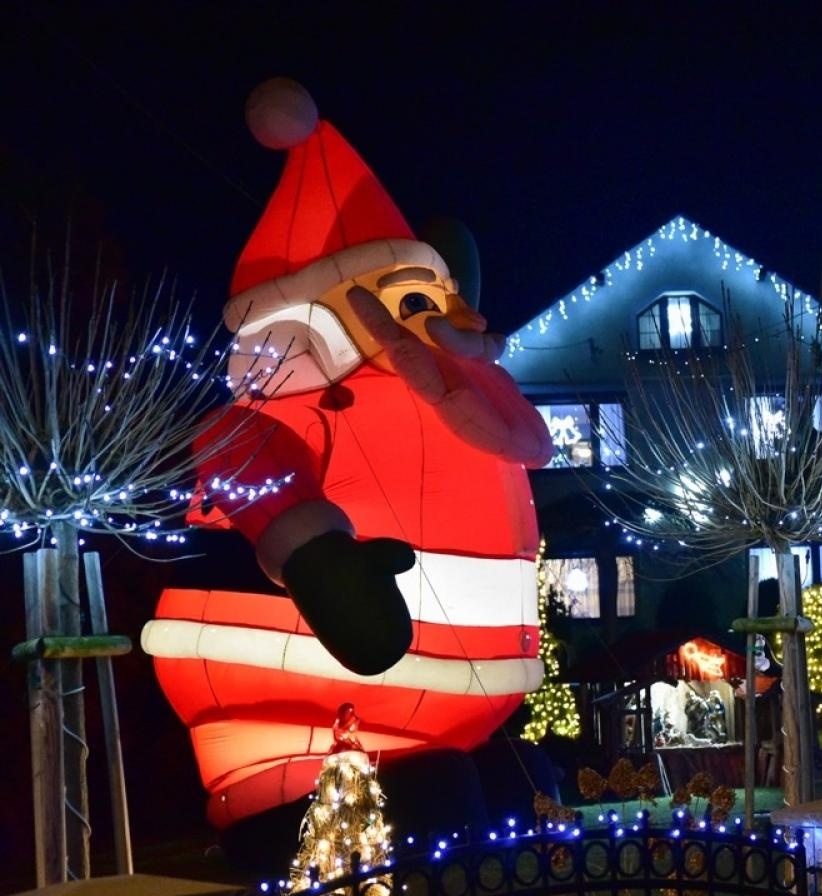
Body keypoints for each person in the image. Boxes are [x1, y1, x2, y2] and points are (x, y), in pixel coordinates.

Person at [141, 78, 552, 829]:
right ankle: (284, 800)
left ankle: (460, 756)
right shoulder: (288, 407)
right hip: (322, 697)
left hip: (460, 703)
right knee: (435, 807)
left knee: (480, 798)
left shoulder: (466, 399)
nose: (458, 322)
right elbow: (243, 464)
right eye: (415, 301)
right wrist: (320, 560)